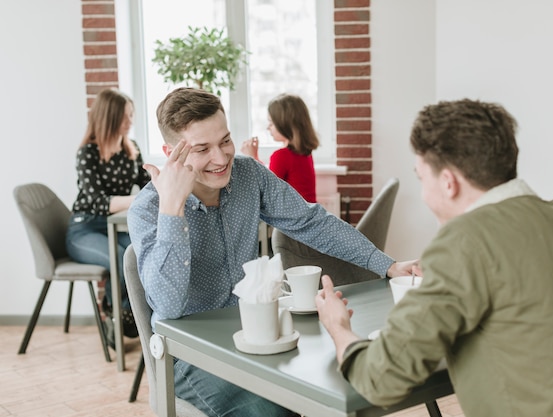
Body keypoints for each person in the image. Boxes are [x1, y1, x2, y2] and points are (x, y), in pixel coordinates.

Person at [316, 99, 553, 417]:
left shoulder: (465, 241)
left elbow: (380, 379)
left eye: (422, 179)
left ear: (448, 183)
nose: (423, 194)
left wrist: (339, 326)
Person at [127, 87, 415, 417]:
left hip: (252, 335)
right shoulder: (148, 210)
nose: (221, 159)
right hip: (187, 355)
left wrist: (387, 265)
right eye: (202, 149)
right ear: (170, 152)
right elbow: (167, 305)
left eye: (225, 141)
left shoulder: (249, 175)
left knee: (325, 389)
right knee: (275, 412)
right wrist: (172, 208)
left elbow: (312, 222)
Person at [66, 88, 151, 346]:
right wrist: (136, 200)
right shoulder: (88, 153)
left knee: (137, 258)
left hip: (116, 227)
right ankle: (119, 315)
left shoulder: (131, 149)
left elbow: (147, 185)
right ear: (109, 118)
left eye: (132, 115)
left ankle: (121, 312)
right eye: (125, 116)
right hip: (84, 229)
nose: (130, 121)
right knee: (117, 259)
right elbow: (96, 202)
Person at [241, 93, 318, 202]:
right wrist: (255, 157)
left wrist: (252, 159)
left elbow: (267, 191)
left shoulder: (281, 156)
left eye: (271, 123)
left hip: (293, 217)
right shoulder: (305, 152)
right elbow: (271, 178)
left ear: (285, 124)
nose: (268, 127)